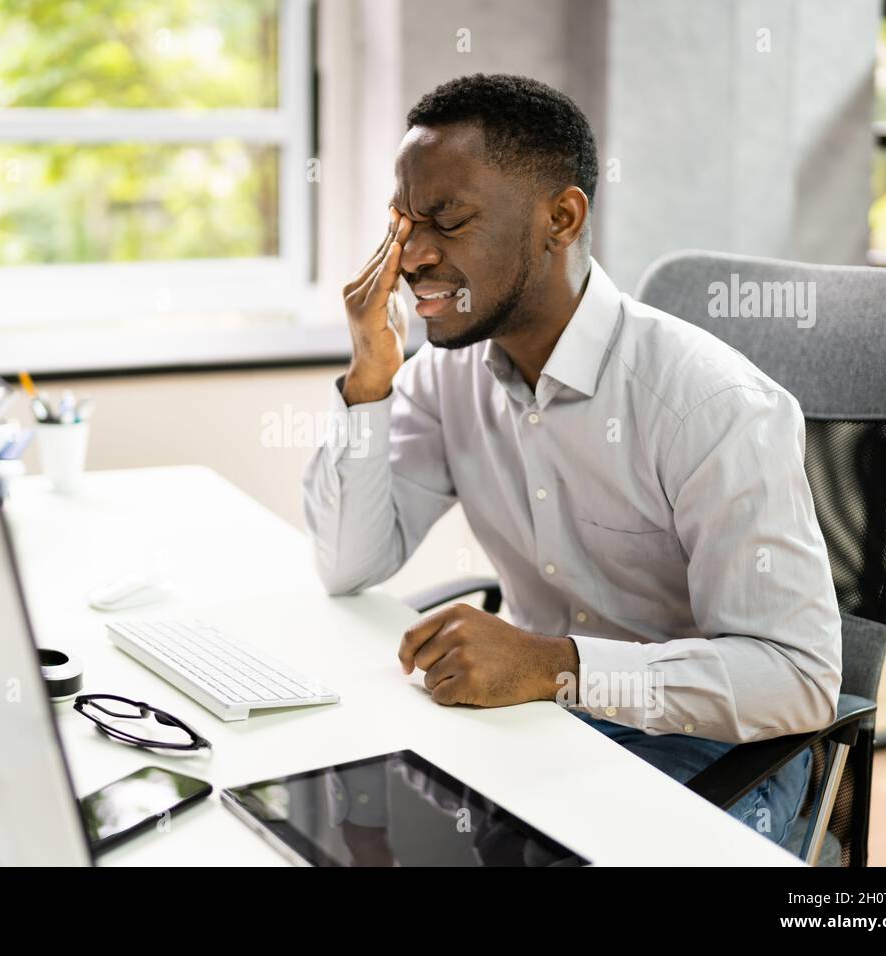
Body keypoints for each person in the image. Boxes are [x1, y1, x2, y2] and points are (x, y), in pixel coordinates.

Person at [301, 73, 841, 849]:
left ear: (561, 217)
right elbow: (346, 564)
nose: (412, 255)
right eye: (402, 221)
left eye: (447, 220)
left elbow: (798, 678)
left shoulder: (710, 405)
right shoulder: (444, 377)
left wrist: (554, 665)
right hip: (547, 726)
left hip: (716, 752)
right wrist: (368, 377)